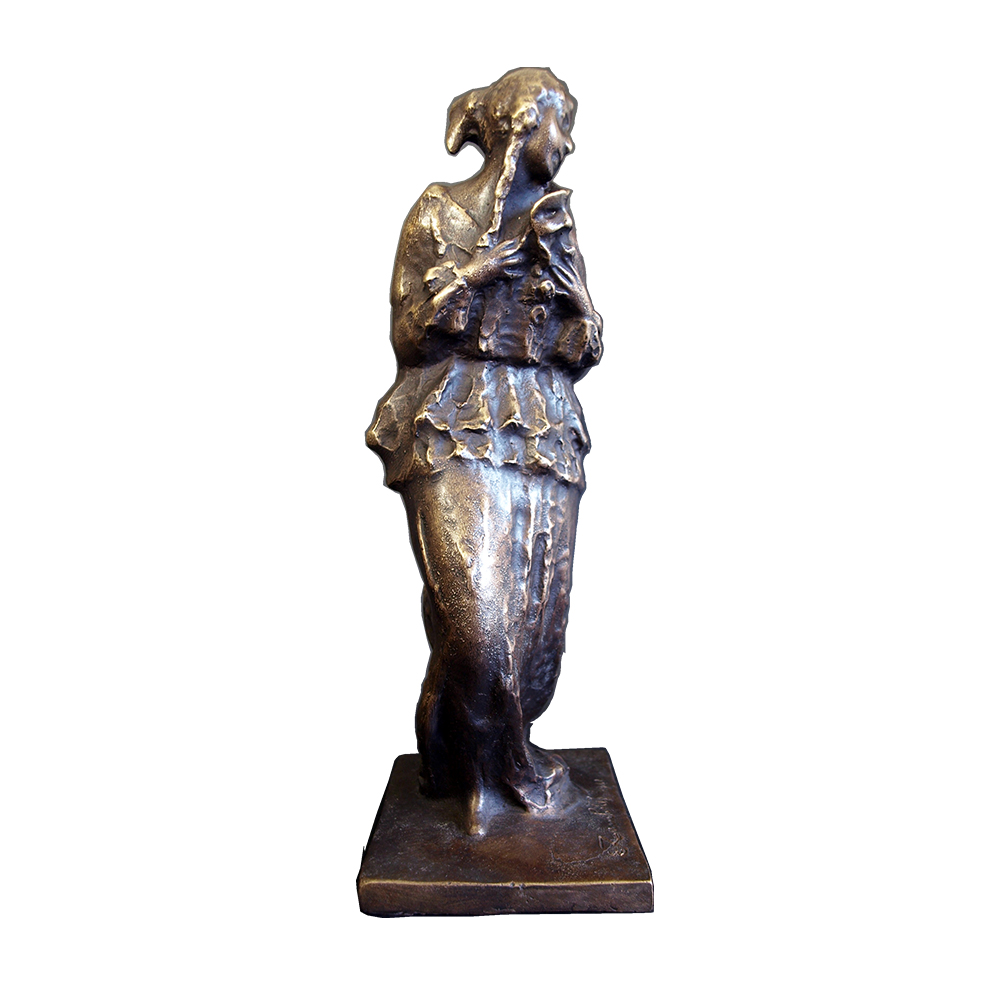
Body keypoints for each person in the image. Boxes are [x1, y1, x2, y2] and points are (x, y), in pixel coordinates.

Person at [367, 68, 602, 834]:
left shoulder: (556, 229)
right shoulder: (438, 214)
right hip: (452, 416)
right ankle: (472, 769)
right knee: (478, 624)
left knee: (536, 629)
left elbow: (579, 349)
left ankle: (491, 768)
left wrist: (573, 302)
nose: (567, 145)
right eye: (560, 125)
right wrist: (479, 270)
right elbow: (409, 332)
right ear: (522, 123)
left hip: (539, 426)